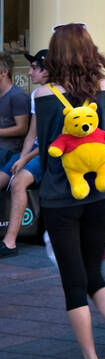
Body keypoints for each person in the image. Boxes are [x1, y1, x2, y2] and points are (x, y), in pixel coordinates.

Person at [33, 24, 105, 359]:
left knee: (74, 283)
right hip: (100, 197)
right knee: (95, 273)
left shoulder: (43, 96)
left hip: (61, 198)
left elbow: (47, 148)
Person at [0, 50, 49, 258]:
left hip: (51, 151)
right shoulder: (35, 95)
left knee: (18, 182)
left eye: (34, 68)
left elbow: (50, 139)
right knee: (17, 175)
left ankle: (9, 242)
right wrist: (23, 157)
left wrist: (25, 158)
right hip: (34, 151)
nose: (29, 73)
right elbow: (31, 134)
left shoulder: (55, 94)